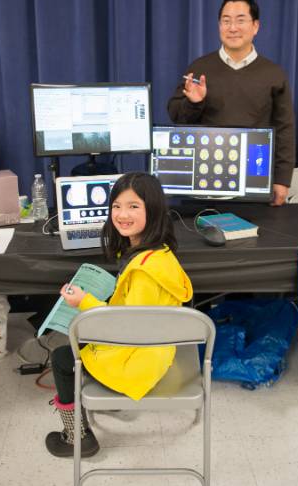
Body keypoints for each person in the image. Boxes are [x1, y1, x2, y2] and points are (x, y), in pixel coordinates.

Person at [45, 172, 193, 458]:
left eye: (133, 207)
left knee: (63, 358)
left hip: (140, 362)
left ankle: (77, 438)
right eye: (116, 206)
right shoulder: (157, 254)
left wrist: (85, 302)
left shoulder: (144, 271)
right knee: (84, 341)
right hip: (154, 349)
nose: (122, 214)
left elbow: (127, 329)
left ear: (154, 211)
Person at [167, 0, 296, 206]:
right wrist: (194, 103)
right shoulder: (199, 68)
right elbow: (176, 117)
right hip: (205, 177)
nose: (232, 28)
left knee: (255, 237)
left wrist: (282, 180)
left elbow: (285, 128)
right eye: (226, 21)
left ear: (255, 26)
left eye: (240, 20)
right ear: (219, 26)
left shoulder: (274, 73)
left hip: (255, 175)